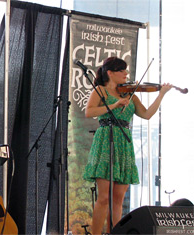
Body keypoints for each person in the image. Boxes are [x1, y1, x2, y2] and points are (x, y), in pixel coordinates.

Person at [82, 57, 172, 235]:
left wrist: (161, 94)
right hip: (106, 140)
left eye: (126, 71)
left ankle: (115, 233)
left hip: (124, 143)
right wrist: (114, 104)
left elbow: (146, 114)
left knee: (118, 199)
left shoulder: (131, 95)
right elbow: (89, 111)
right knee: (104, 197)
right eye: (122, 71)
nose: (126, 74)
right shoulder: (101, 91)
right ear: (110, 73)